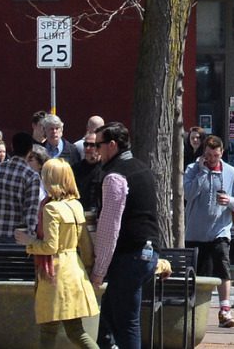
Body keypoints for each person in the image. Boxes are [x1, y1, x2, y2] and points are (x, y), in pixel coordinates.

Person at [15, 159, 99, 349]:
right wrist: (88, 270)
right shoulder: (76, 206)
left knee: (49, 331)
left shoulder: (50, 208)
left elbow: (50, 247)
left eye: (44, 175)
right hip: (75, 271)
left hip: (54, 274)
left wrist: (28, 242)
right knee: (76, 331)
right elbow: (85, 245)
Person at [90, 122, 159, 349]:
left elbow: (110, 228)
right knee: (109, 313)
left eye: (98, 145)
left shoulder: (114, 177)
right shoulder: (142, 168)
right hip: (147, 253)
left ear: (112, 145)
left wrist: (99, 271)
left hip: (129, 255)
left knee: (126, 320)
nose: (95, 151)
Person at [183, 134, 234, 329]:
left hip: (220, 230)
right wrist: (202, 172)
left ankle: (225, 310)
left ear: (222, 153)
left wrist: (231, 202)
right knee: (197, 274)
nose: (212, 159)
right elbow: (188, 194)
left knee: (223, 267)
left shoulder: (230, 172)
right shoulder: (193, 169)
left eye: (216, 155)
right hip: (195, 232)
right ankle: (194, 312)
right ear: (203, 153)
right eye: (209, 155)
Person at [0, 132, 43, 243]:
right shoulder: (31, 176)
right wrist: (29, 237)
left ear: (12, 147)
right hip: (17, 238)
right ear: (30, 150)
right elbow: (30, 212)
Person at [72, 133, 103, 213]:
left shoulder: (106, 169)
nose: (88, 148)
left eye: (92, 145)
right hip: (79, 213)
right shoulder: (75, 169)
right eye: (86, 144)